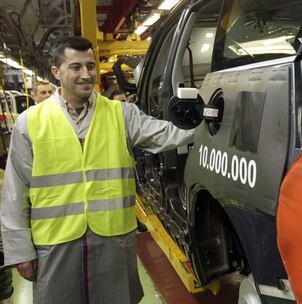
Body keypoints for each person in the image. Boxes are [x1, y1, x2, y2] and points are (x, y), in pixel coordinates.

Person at [0, 36, 193, 304]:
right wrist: (20, 251)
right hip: (56, 241)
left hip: (113, 238)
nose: (86, 74)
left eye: (90, 66)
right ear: (57, 73)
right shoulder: (30, 122)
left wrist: (205, 121)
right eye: (76, 67)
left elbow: (165, 135)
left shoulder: (121, 114)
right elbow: (15, 192)